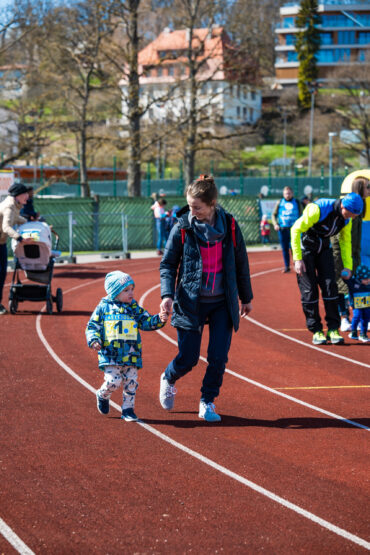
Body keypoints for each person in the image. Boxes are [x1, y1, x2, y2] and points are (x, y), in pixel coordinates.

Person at [158, 174, 253, 423]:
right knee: (188, 358)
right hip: (190, 300)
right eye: (190, 206)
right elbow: (168, 264)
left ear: (212, 204)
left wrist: (246, 297)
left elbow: (241, 262)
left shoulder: (230, 226)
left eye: (197, 207)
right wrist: (167, 294)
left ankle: (207, 401)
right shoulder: (182, 227)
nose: (192, 211)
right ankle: (169, 377)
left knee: (218, 357)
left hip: (223, 301)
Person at [86, 270, 168, 421]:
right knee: (113, 382)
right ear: (115, 292)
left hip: (131, 354)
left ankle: (128, 410)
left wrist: (159, 319)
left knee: (131, 383)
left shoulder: (133, 308)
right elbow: (92, 326)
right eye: (126, 290)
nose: (131, 293)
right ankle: (103, 394)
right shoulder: (103, 307)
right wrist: (94, 340)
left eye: (132, 289)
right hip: (110, 354)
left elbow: (146, 321)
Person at [291, 192, 364, 345]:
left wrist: (348, 267)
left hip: (324, 248)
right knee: (309, 290)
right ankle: (316, 330)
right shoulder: (318, 209)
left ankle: (333, 328)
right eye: (350, 213)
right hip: (306, 249)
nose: (352, 217)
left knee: (331, 287)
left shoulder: (347, 219)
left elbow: (345, 243)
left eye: (355, 215)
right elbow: (295, 230)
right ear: (343, 206)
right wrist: (297, 258)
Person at [331, 173, 370, 332]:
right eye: (368, 187)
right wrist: (339, 256)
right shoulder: (347, 207)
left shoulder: (362, 206)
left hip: (354, 254)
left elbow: (358, 234)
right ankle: (344, 317)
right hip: (340, 254)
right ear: (360, 188)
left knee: (359, 285)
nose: (369, 190)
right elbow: (338, 236)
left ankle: (360, 319)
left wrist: (357, 256)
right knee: (342, 287)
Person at [0, 182, 31, 315]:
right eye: (25, 195)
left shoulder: (13, 205)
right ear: (18, 195)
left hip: (1, 244)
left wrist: (31, 221)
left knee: (1, 274)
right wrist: (19, 238)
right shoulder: (9, 206)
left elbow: (15, 219)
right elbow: (6, 227)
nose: (27, 198)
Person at [271, 186, 302, 273]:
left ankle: (296, 264)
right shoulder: (280, 202)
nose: (287, 195)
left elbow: (301, 214)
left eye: (289, 193)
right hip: (282, 229)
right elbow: (273, 214)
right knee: (285, 248)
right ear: (283, 194)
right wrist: (275, 224)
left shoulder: (297, 202)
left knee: (294, 247)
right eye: (286, 193)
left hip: (294, 229)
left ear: (292, 193)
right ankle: (287, 266)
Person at [342, 264, 370, 343]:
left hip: (367, 306)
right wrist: (345, 273)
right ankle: (353, 332)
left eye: (369, 278)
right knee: (357, 316)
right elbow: (345, 279)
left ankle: (363, 334)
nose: (368, 280)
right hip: (357, 305)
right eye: (365, 279)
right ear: (360, 278)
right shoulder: (354, 283)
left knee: (366, 319)